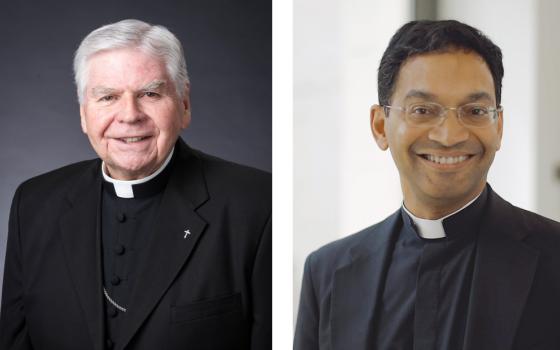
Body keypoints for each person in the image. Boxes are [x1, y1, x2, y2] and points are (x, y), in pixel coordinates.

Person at [0, 19, 271, 350]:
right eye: (108, 97)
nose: (129, 115)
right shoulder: (33, 204)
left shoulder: (258, 205)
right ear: (84, 113)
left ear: (183, 104)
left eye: (150, 93)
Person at [294, 20, 560, 350]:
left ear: (499, 126)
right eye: (422, 110)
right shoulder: (326, 273)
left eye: (475, 110)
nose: (449, 136)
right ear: (380, 126)